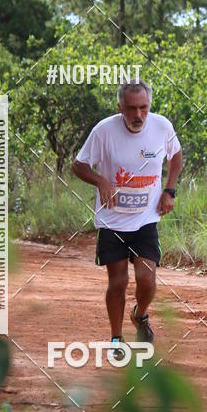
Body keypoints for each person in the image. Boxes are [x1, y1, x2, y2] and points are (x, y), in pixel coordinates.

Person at [71, 79, 182, 353]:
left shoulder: (162, 126)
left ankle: (140, 314)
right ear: (120, 107)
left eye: (143, 107)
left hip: (145, 219)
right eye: (131, 108)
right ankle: (116, 339)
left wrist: (169, 191)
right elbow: (78, 165)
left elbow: (176, 157)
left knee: (147, 279)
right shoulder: (104, 131)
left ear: (149, 105)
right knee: (118, 282)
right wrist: (101, 182)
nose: (138, 115)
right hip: (112, 220)